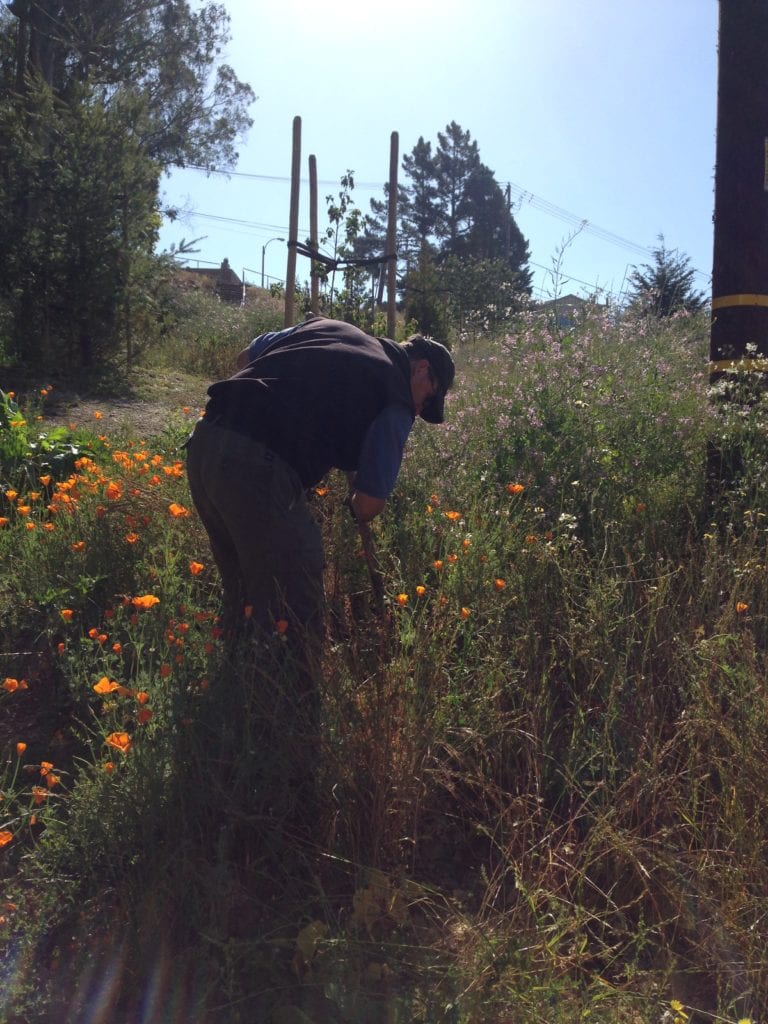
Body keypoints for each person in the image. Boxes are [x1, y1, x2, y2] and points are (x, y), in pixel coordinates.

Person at [185, 314, 455, 644]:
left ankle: (237, 678)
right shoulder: (396, 396)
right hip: (257, 466)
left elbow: (246, 358)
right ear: (421, 368)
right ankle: (289, 691)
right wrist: (354, 502)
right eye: (427, 398)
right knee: (296, 596)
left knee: (243, 588)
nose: (418, 409)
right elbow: (368, 505)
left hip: (206, 441)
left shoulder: (326, 327)